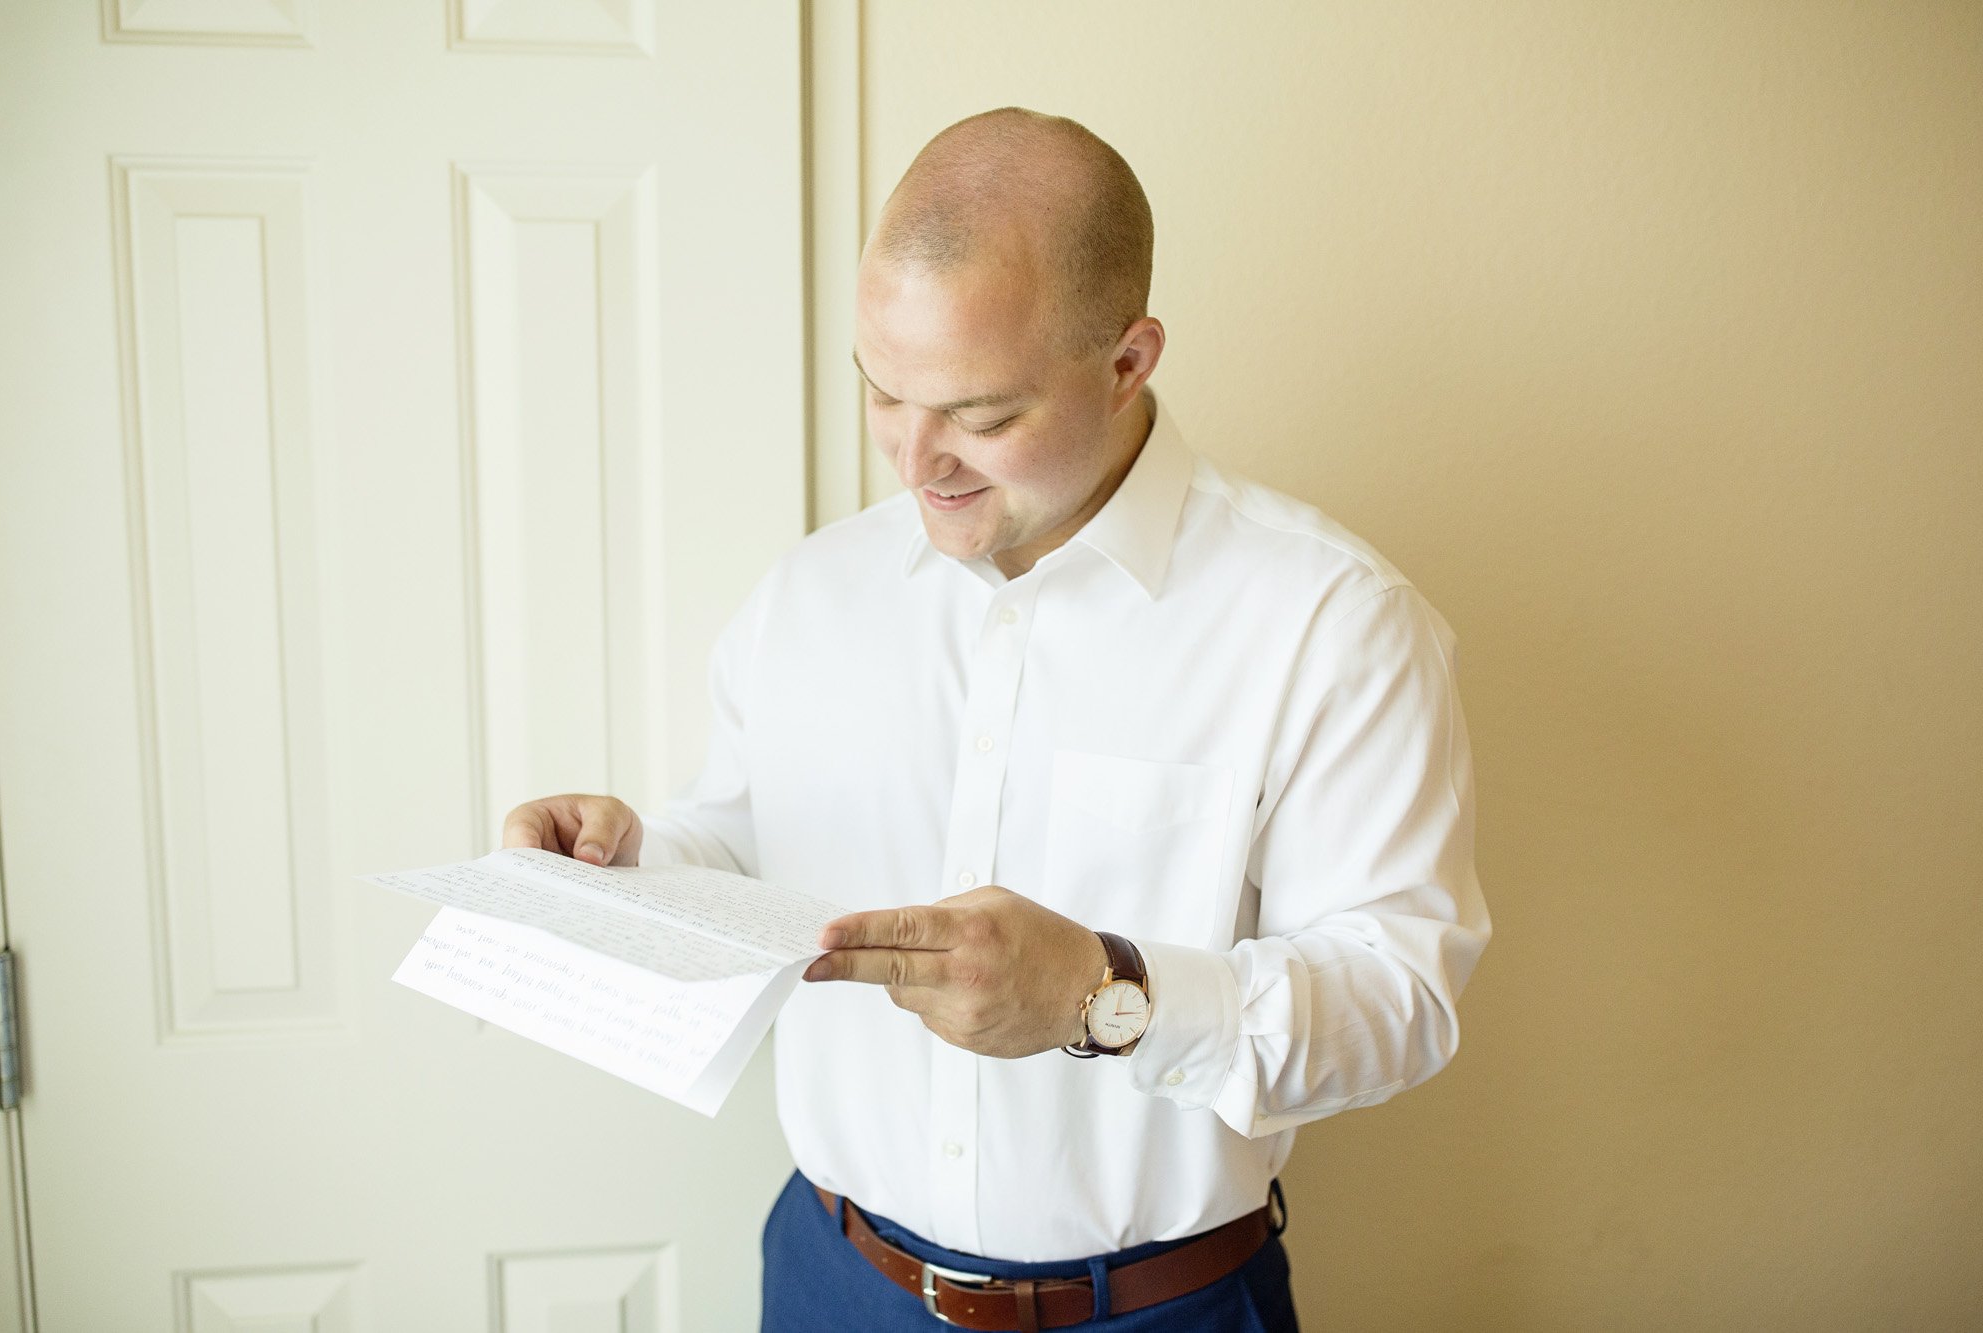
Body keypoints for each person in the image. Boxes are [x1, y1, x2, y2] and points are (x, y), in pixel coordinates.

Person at [504, 106, 1491, 1332]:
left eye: (980, 416)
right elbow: (754, 847)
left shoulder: (1329, 621)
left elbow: (1402, 998)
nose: (917, 464)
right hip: (829, 1280)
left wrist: (1100, 993)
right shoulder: (809, 594)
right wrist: (636, 859)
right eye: (882, 392)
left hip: (1155, 1312)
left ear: (1129, 360)